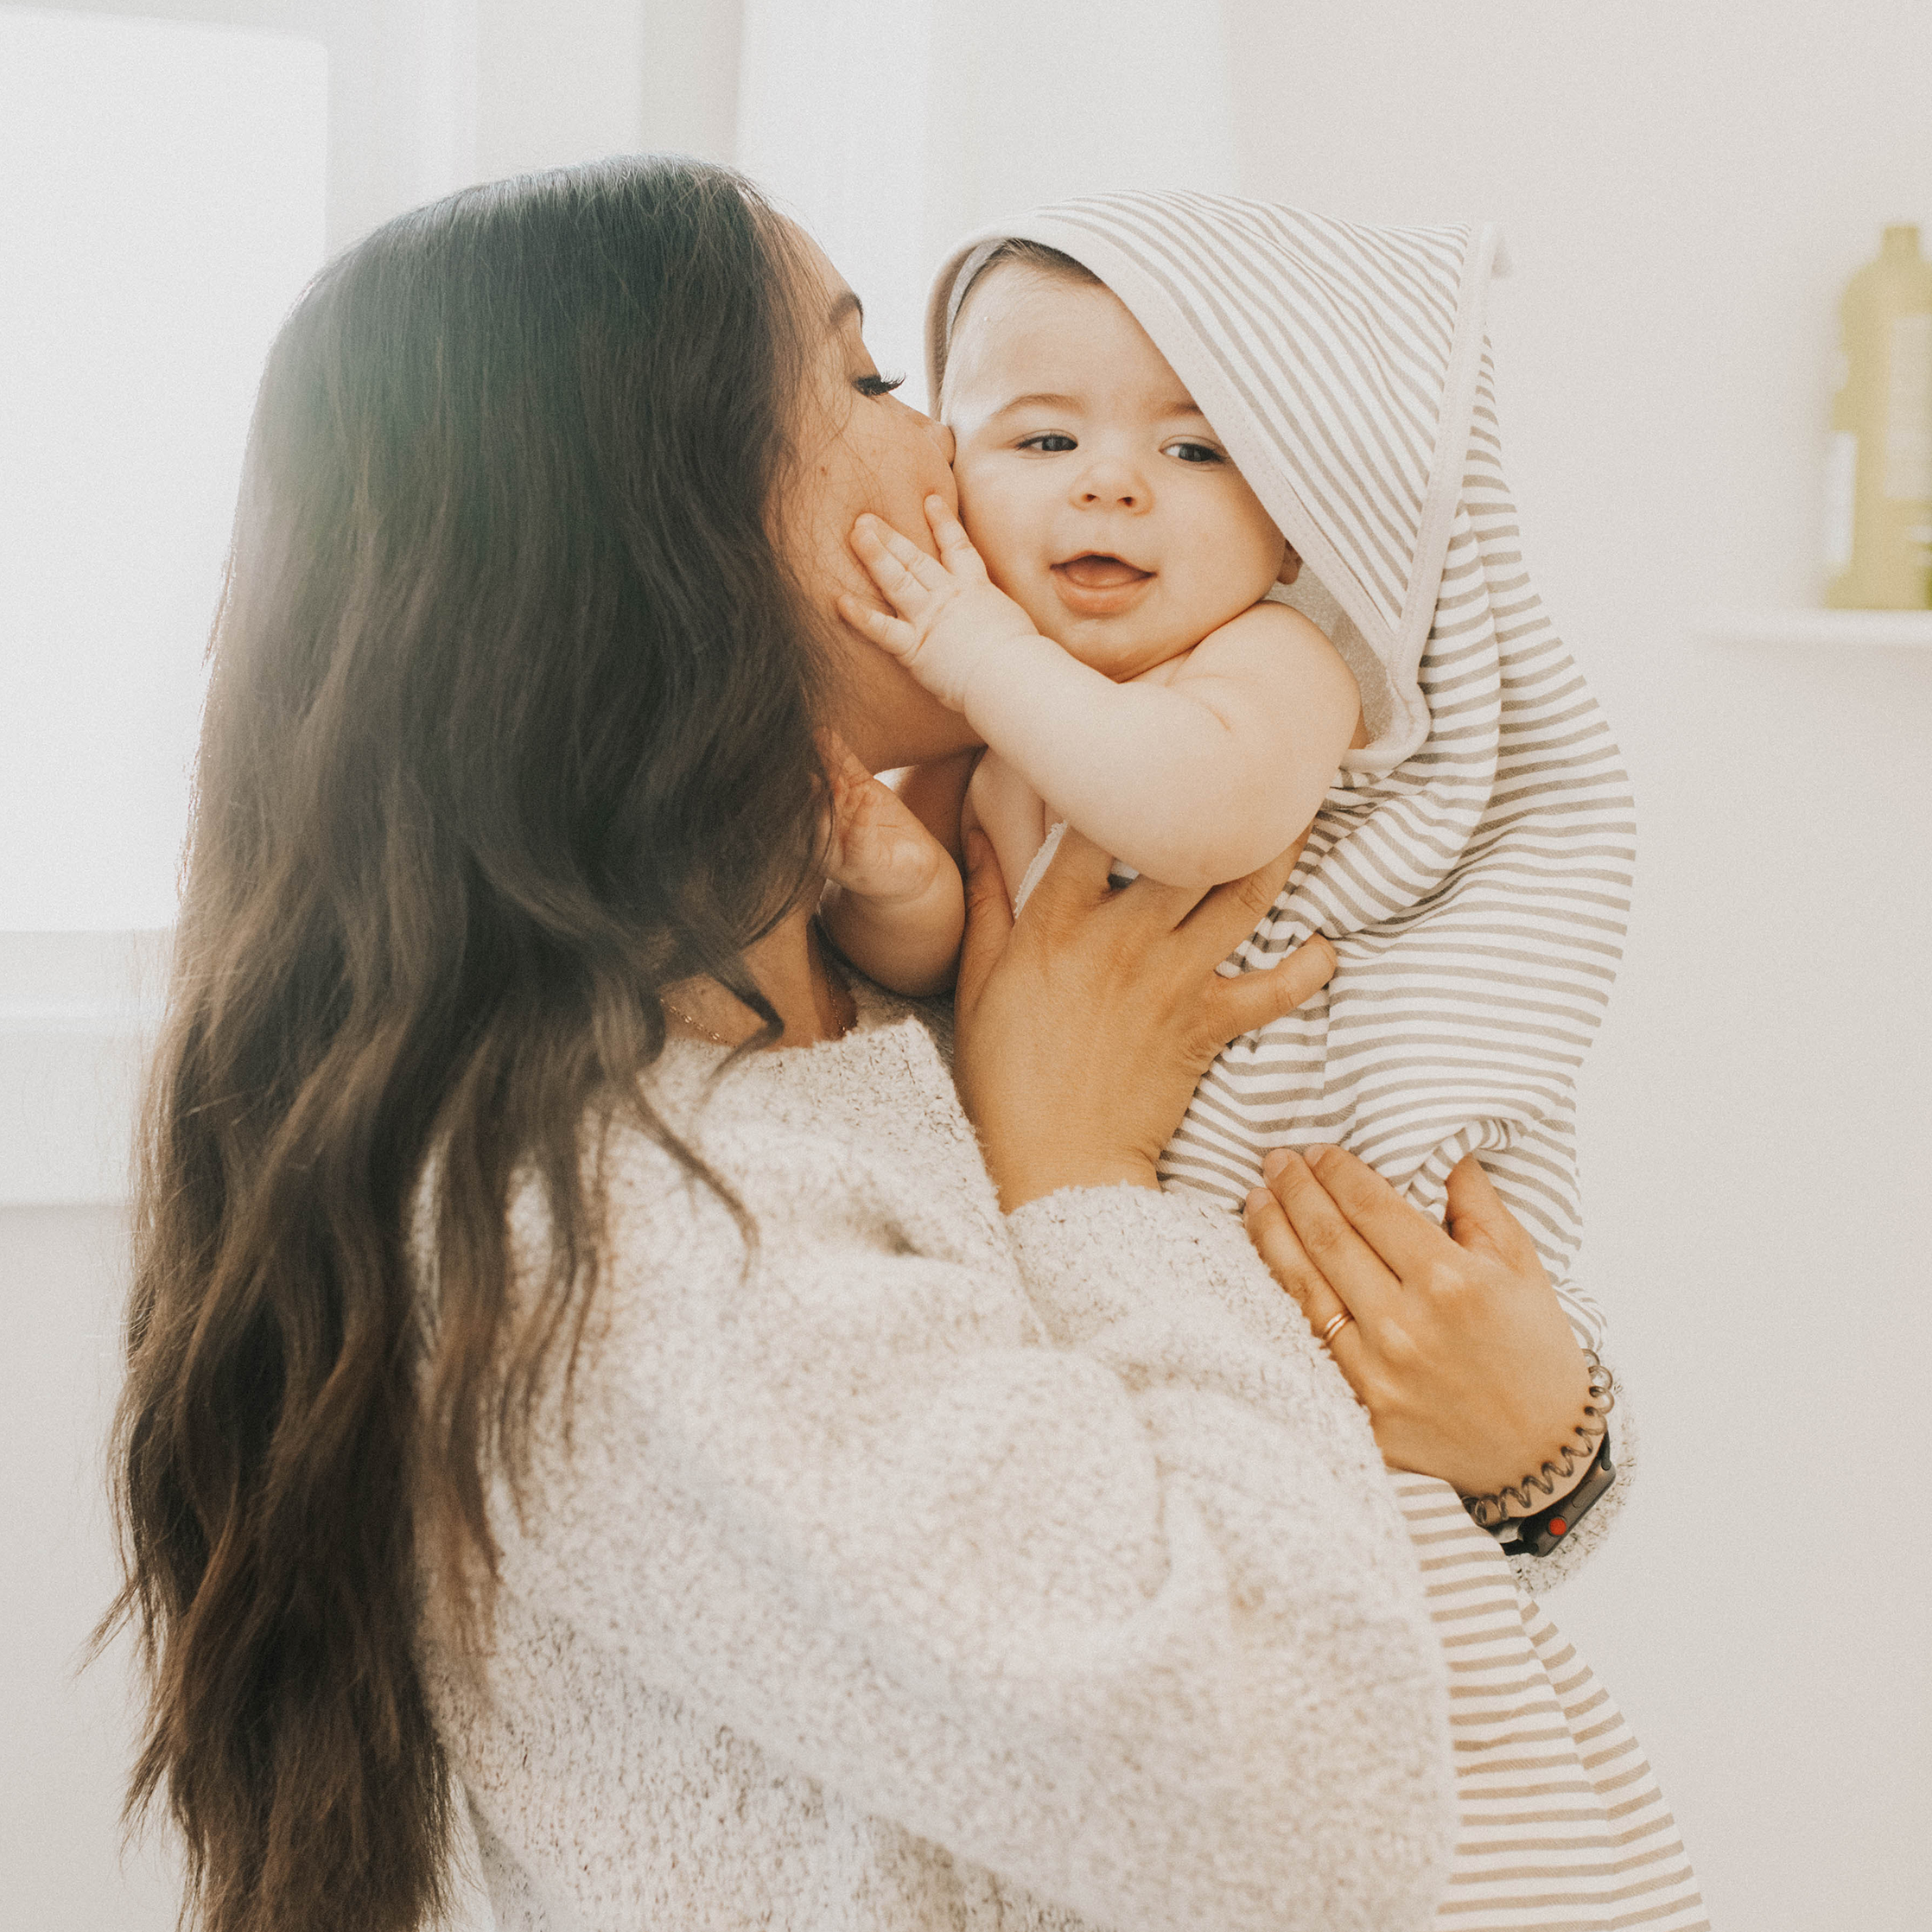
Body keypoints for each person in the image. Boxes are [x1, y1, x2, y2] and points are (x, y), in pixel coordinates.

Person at [102, 158, 1687, 1932]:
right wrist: (1077, 1173)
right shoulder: (625, 1242)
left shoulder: (946, 983)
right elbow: (1309, 1820)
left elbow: (1299, 1509)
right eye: (864, 384)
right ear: (657, 536)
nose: (959, 454)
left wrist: (1543, 1450)